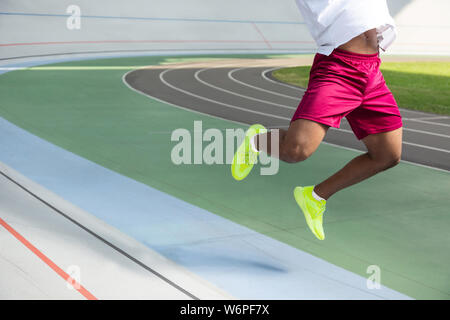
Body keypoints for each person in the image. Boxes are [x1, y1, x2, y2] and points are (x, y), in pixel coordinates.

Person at [231, 0, 403, 240]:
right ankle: (258, 141)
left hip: (371, 69)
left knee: (387, 155)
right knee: (296, 150)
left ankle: (315, 197)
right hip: (338, 68)